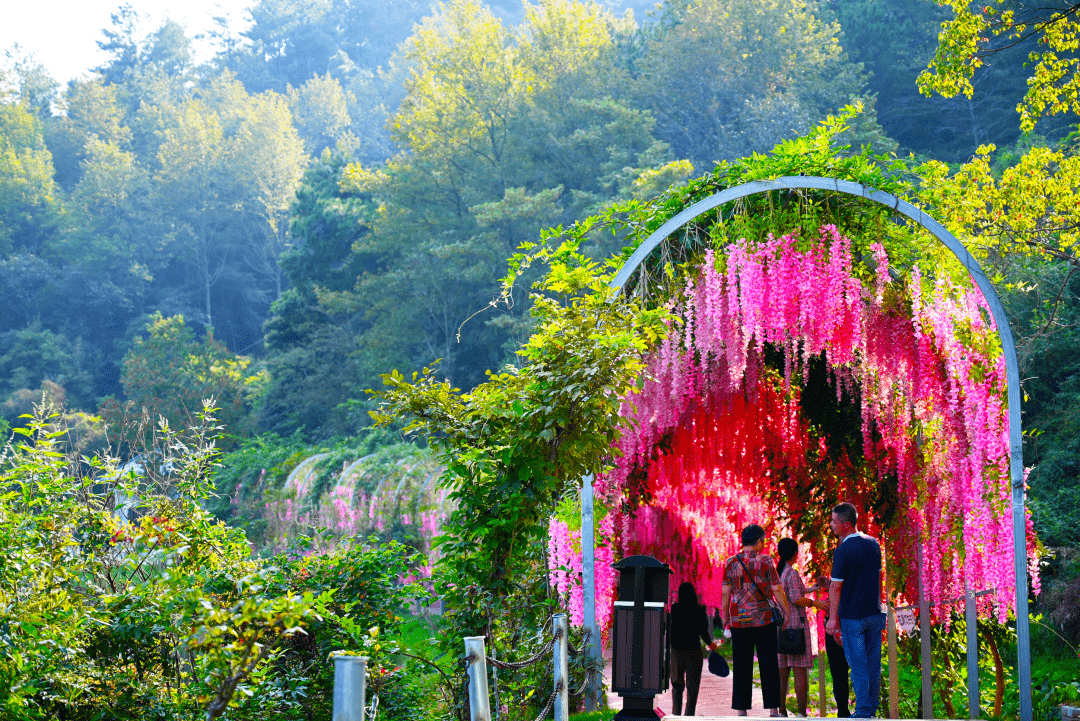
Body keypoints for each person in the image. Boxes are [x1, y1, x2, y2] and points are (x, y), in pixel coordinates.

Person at [721, 524, 792, 717]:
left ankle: (742, 710)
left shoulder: (731, 562)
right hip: (764, 620)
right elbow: (777, 588)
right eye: (764, 540)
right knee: (769, 664)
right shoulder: (766, 561)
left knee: (742, 664)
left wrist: (725, 617)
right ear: (759, 541)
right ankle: (773, 710)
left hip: (739, 621)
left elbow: (726, 592)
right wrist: (786, 611)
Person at [825, 503, 885, 719]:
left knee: (858, 665)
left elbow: (835, 586)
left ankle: (861, 713)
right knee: (872, 665)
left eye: (834, 521)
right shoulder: (873, 543)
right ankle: (870, 710)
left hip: (852, 616)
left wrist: (833, 619)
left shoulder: (842, 550)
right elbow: (879, 577)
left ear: (846, 524)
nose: (831, 525)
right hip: (874, 614)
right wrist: (881, 607)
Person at [775, 538, 817, 717]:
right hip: (796, 627)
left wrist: (812, 588)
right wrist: (816, 603)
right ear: (794, 554)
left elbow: (793, 592)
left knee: (783, 669)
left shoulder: (779, 573)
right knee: (799, 669)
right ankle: (801, 713)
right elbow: (795, 598)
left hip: (781, 627)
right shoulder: (792, 573)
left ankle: (781, 710)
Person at [668, 581, 718, 716]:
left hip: (677, 651)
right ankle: (689, 715)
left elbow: (669, 627)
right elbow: (703, 630)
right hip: (693, 651)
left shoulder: (675, 609)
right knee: (693, 686)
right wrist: (710, 644)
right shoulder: (699, 610)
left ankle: (676, 714)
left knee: (677, 685)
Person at [811, 582, 851, 717]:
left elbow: (839, 588)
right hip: (839, 626)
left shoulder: (845, 565)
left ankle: (845, 711)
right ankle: (845, 711)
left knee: (840, 672)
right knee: (840, 672)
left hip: (843, 625)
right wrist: (828, 585)